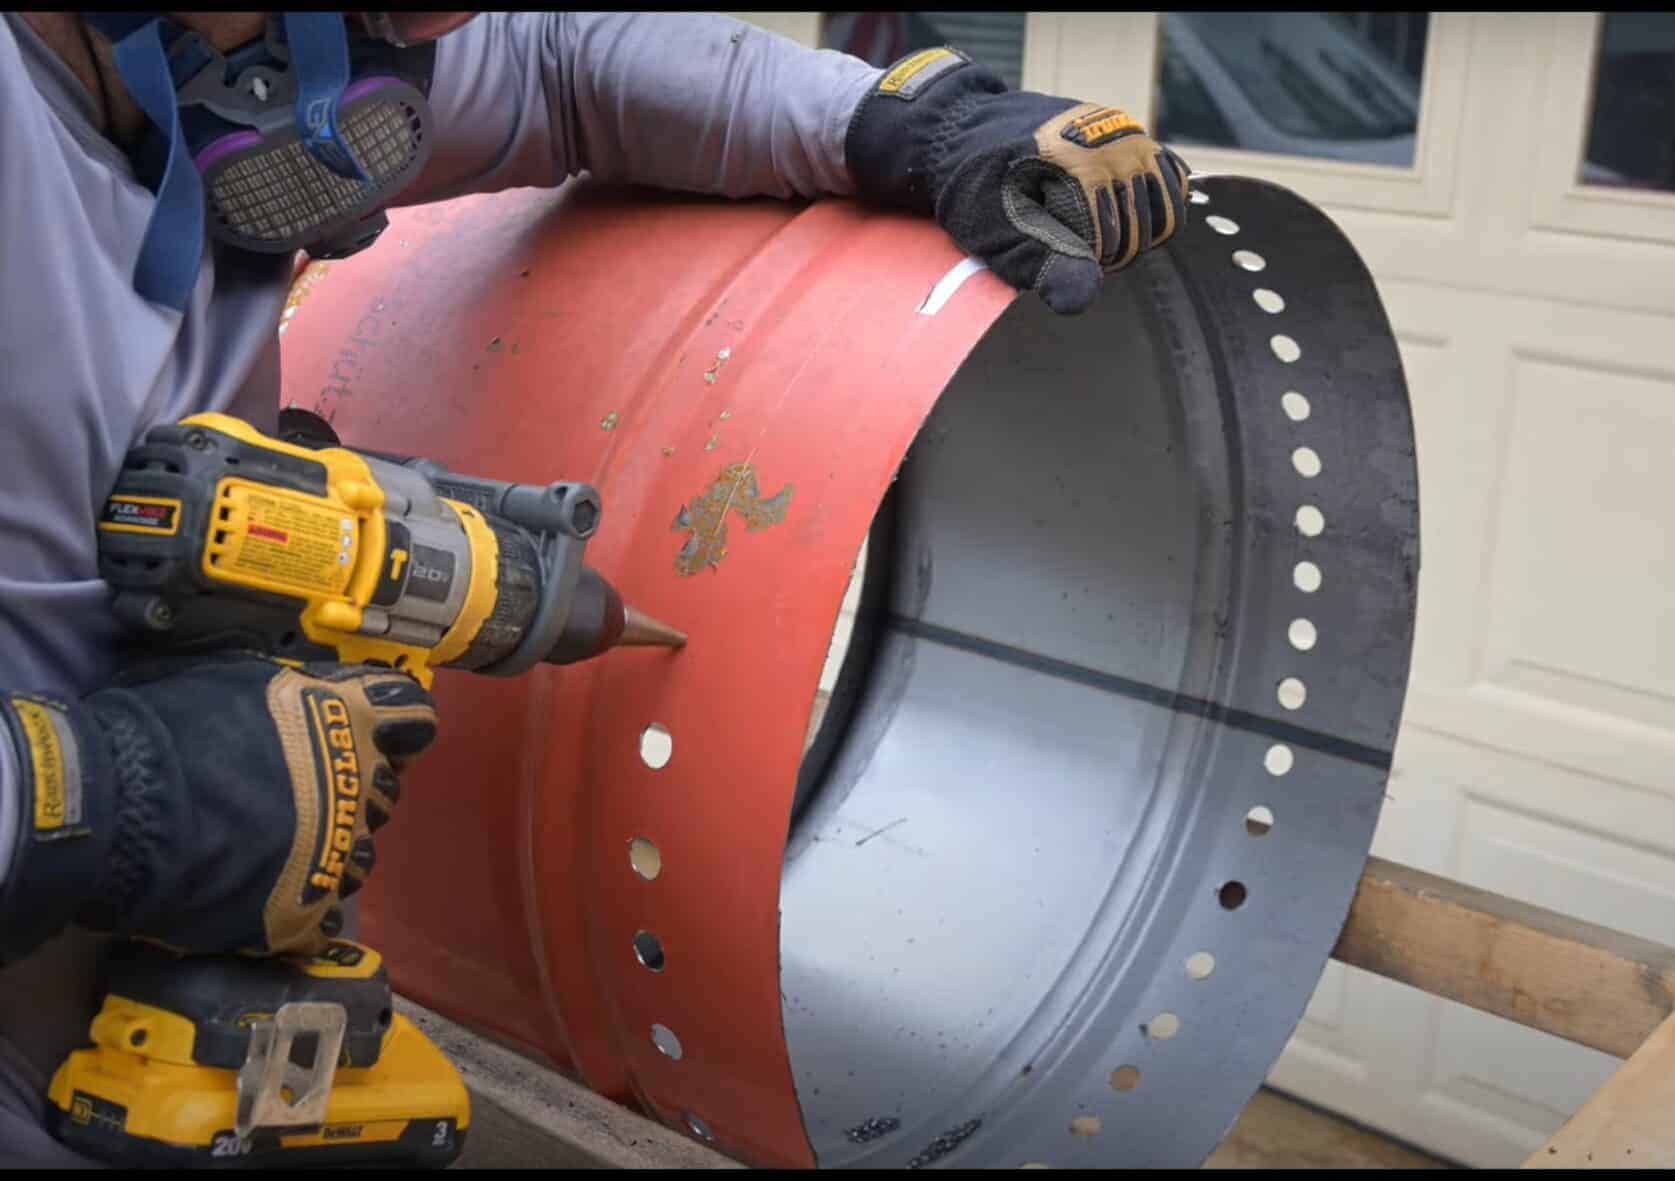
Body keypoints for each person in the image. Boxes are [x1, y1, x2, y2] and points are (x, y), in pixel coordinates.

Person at [0, 10, 1191, 1164]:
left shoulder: (253, 61)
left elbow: (562, 63)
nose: (405, 44)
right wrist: (97, 792)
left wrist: (912, 121)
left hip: (146, 1048)